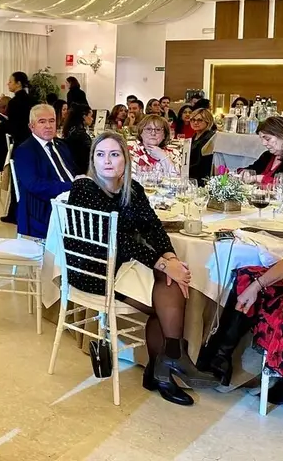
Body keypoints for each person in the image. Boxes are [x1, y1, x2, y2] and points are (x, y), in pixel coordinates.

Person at [67, 133, 217, 405]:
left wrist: (170, 257)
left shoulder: (132, 188)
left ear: (126, 158)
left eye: (115, 154)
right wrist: (163, 264)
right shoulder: (84, 188)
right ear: (93, 160)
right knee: (167, 293)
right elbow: (116, 238)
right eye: (100, 154)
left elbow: (154, 227)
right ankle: (168, 364)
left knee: (169, 283)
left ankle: (162, 369)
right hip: (95, 269)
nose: (107, 161)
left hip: (125, 265)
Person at [198, 158, 283, 411]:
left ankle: (219, 360)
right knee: (250, 276)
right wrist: (260, 283)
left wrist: (265, 283)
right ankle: (221, 359)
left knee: (251, 280)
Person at [14, 104, 75, 238]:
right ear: (31, 126)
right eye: (42, 121)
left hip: (71, 200)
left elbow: (72, 173)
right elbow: (34, 184)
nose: (48, 125)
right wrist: (72, 188)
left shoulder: (61, 146)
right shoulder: (25, 150)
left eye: (51, 121)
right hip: (45, 207)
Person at [0, 71, 37, 223]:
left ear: (18, 83)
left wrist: (0, 124)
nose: (8, 84)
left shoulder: (15, 102)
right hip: (31, 142)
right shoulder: (31, 100)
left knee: (16, 179)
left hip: (20, 144)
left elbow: (15, 126)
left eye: (10, 81)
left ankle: (14, 213)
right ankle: (28, 211)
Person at [61, 103, 93, 176]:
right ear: (84, 117)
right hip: (82, 170)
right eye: (91, 116)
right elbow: (90, 155)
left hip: (73, 168)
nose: (92, 119)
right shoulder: (82, 135)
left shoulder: (69, 130)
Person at [188, 109, 217, 184]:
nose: (195, 122)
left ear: (208, 122)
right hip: (192, 173)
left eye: (200, 120)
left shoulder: (209, 138)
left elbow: (200, 163)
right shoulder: (196, 135)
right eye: (193, 120)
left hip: (199, 178)